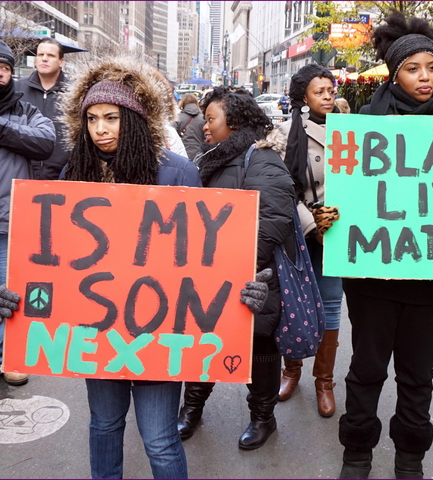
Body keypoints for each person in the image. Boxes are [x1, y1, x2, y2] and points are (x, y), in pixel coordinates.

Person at [57, 56, 270, 479]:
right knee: (103, 425)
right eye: (92, 119)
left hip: (160, 332)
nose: (100, 129)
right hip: (97, 330)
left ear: (134, 120)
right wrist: (22, 297)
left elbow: (205, 259)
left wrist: (243, 288)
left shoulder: (177, 174)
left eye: (112, 118)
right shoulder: (75, 173)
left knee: (158, 437)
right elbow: (57, 261)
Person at [338, 11, 433, 479]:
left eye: (432, 67)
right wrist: (332, 213)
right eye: (413, 68)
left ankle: (410, 458)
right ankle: (357, 453)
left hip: (431, 281)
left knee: (417, 376)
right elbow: (343, 194)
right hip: (372, 277)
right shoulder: (366, 123)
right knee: (366, 370)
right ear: (394, 72)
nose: (425, 77)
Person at [178, 86, 296, 450]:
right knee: (203, 343)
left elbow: (274, 218)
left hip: (253, 280)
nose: (205, 126)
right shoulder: (212, 158)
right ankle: (192, 408)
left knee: (260, 349)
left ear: (236, 121)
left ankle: (263, 417)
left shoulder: (261, 160)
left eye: (211, 119)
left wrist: (234, 262)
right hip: (208, 278)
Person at [277, 64, 343, 418]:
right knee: (295, 303)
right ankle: (291, 371)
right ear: (303, 96)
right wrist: (310, 223)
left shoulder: (352, 132)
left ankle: (324, 382)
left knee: (331, 305)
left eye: (331, 90)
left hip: (337, 233)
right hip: (300, 233)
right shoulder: (285, 133)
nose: (328, 96)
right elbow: (281, 188)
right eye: (320, 91)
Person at [0, 40, 55, 387]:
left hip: (10, 218)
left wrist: (3, 130)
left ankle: (11, 356)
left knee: (10, 290)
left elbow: (45, 142)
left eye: (3, 68)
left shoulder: (25, 110)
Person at [16, 38, 70, 180]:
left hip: (63, 175)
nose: (44, 59)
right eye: (40, 55)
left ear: (61, 62)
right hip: (22, 174)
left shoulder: (74, 92)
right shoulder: (17, 89)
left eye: (51, 55)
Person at [171, 93, 205, 160]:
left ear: (182, 102)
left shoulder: (177, 118)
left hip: (181, 155)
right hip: (199, 155)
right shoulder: (203, 118)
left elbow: (171, 136)